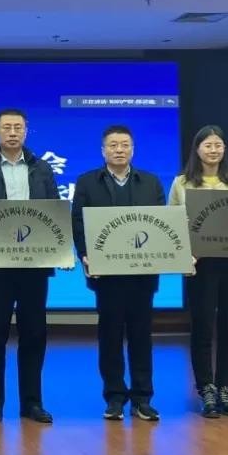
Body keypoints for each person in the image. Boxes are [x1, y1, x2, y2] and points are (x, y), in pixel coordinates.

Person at [0, 109, 58, 424]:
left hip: (34, 265)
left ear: (26, 131)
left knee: (34, 334)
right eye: (7, 127)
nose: (13, 132)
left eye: (18, 127)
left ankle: (32, 402)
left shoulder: (42, 168)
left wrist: (60, 251)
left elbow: (54, 212)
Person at [71, 124, 165, 422]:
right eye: (113, 145)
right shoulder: (87, 182)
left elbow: (161, 225)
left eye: (125, 145)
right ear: (103, 151)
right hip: (106, 275)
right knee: (110, 336)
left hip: (143, 274)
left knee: (141, 336)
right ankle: (114, 397)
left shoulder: (151, 182)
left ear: (133, 149)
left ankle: (142, 398)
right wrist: (84, 255)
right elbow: (78, 224)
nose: (119, 150)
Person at [169, 125, 228, 418]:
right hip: (200, 265)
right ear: (197, 149)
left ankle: (225, 387)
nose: (213, 150)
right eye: (208, 145)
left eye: (218, 145)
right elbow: (172, 223)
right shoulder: (182, 182)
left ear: (224, 149)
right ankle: (205, 388)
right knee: (202, 327)